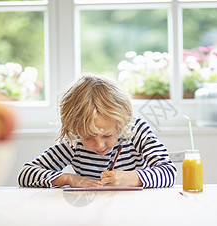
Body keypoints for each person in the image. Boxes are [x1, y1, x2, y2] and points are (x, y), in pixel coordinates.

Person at [17, 73, 176, 188]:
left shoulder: (136, 130)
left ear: (121, 122)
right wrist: (68, 179)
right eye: (88, 137)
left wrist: (133, 178)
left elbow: (169, 172)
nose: (99, 145)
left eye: (107, 135)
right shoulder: (73, 142)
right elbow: (26, 174)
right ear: (75, 130)